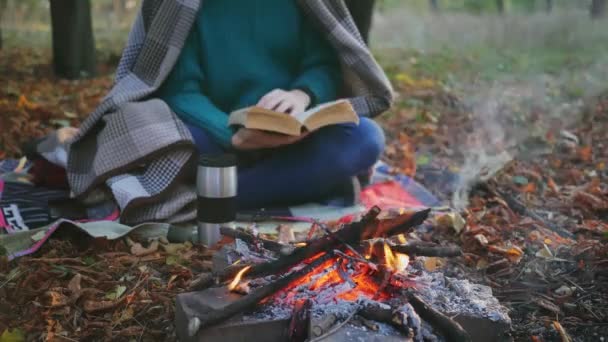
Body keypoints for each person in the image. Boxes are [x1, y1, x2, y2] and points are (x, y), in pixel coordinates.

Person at [155, 0, 386, 209]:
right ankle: (309, 185)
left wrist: (301, 94)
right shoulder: (186, 6)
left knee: (365, 137)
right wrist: (231, 135)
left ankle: (222, 196)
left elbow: (323, 66)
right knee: (165, 140)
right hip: (218, 139)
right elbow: (182, 91)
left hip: (294, 142)